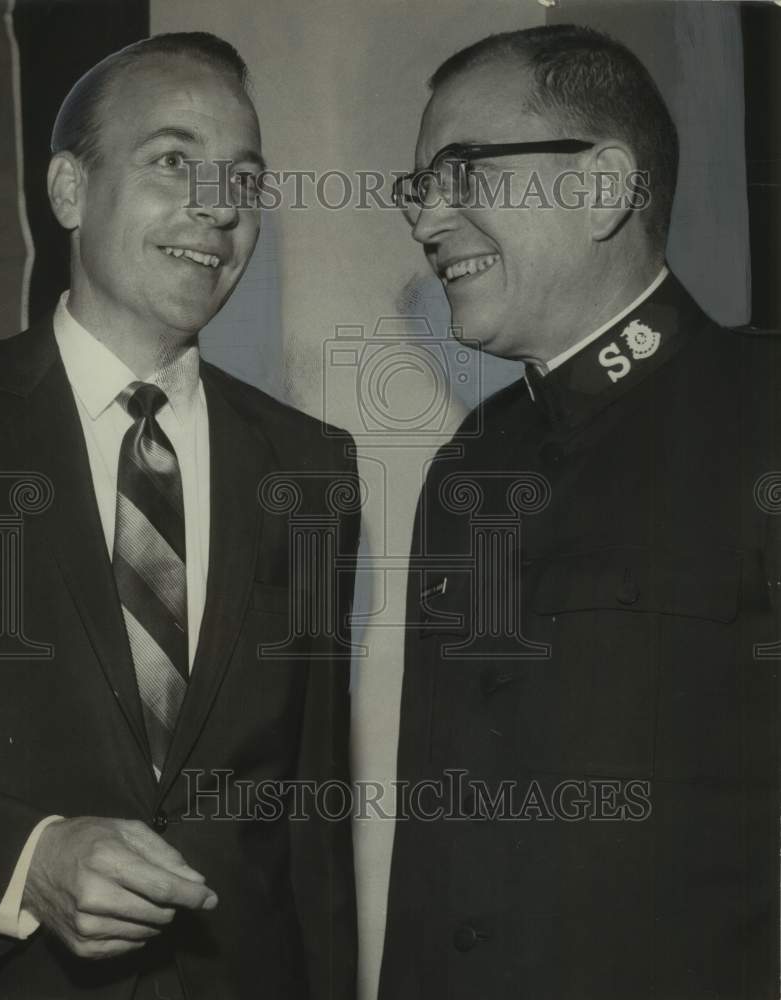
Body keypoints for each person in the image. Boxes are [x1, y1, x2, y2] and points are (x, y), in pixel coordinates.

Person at [0, 32, 358, 1000]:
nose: (217, 206)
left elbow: (311, 826)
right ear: (69, 191)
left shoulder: (311, 466)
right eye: (171, 162)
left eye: (243, 178)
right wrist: (22, 860)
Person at [380, 24, 779, 999]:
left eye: (460, 172)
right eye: (418, 188)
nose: (427, 221)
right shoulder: (469, 463)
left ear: (602, 186)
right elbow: (436, 856)